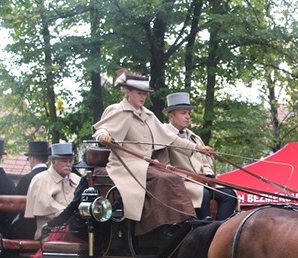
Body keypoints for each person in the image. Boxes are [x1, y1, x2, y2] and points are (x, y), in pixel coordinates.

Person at [92, 69, 214, 235]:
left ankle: (180, 222)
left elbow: (171, 139)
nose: (142, 97)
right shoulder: (117, 110)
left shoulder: (148, 115)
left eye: (145, 94)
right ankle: (165, 224)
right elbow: (101, 129)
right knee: (166, 178)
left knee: (172, 176)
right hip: (125, 165)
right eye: (139, 93)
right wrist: (103, 136)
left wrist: (196, 147)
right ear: (128, 92)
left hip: (147, 164)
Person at [162, 92, 237, 220]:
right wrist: (188, 177)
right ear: (171, 115)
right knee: (203, 194)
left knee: (230, 194)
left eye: (189, 113)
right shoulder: (164, 135)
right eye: (183, 113)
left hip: (202, 183)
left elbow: (206, 163)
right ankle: (204, 229)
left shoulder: (195, 138)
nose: (188, 117)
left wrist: (207, 175)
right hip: (181, 183)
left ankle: (220, 228)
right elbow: (164, 166)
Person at [24, 142, 80, 239]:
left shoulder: (77, 179)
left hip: (76, 232)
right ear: (53, 161)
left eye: (70, 161)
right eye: (64, 161)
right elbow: (46, 206)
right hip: (50, 233)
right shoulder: (41, 179)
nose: (68, 164)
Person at [9, 140, 50, 238]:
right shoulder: (54, 178)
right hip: (50, 227)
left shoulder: (26, 179)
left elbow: (15, 206)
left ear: (32, 159)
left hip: (29, 228)